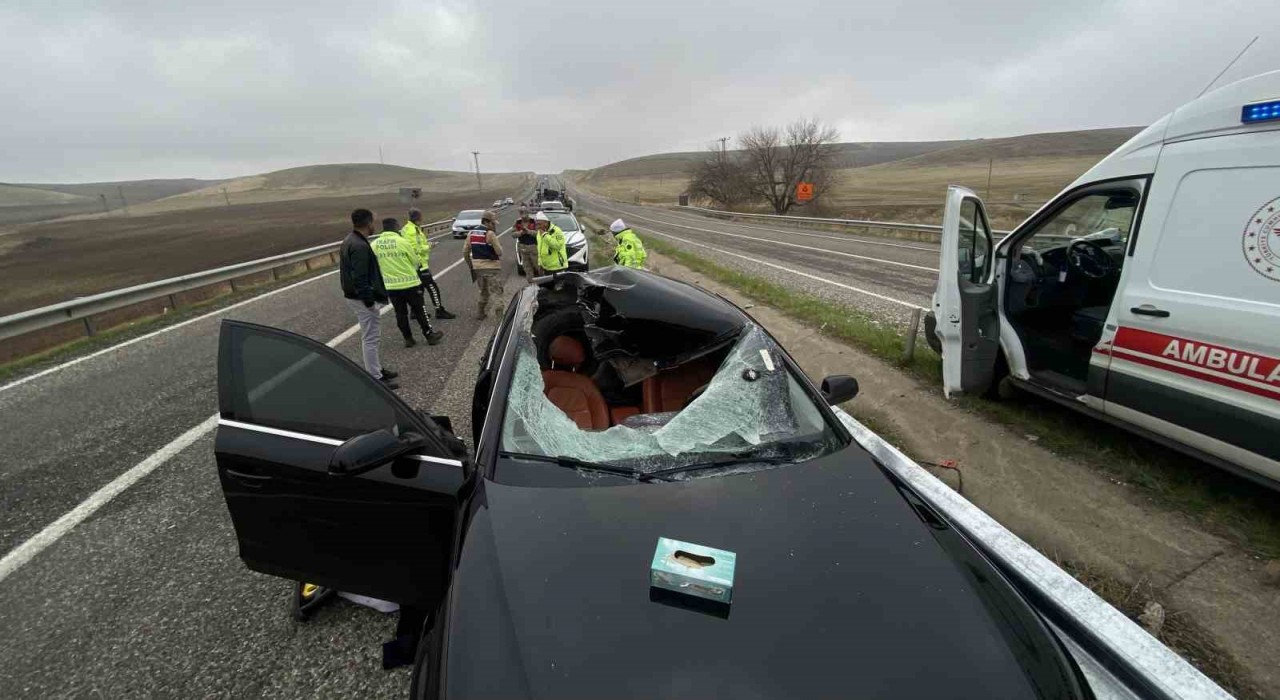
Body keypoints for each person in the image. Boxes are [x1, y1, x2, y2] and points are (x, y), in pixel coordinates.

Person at [340, 209, 398, 389]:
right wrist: (369, 301)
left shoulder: (350, 239)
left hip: (355, 296)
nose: (375, 225)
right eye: (373, 221)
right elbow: (360, 278)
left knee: (371, 336)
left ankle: (377, 369)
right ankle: (375, 377)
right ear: (368, 223)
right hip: (361, 298)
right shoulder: (359, 246)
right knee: (371, 337)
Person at [373, 217, 444, 348]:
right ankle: (429, 335)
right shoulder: (402, 242)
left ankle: (408, 339)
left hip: (391, 286)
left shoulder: (375, 245)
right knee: (420, 310)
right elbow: (415, 261)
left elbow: (374, 264)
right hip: (410, 284)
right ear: (395, 227)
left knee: (400, 314)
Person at [401, 208, 455, 319]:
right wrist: (430, 246)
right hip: (419, 265)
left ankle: (415, 312)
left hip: (412, 265)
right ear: (417, 218)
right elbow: (414, 248)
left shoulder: (407, 228)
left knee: (418, 289)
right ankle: (439, 310)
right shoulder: (412, 230)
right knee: (432, 288)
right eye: (421, 216)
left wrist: (427, 244)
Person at [464, 210, 505, 319]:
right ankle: (500, 319)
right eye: (493, 223)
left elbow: (465, 252)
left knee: (484, 291)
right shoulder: (490, 234)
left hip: (478, 269)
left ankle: (480, 313)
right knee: (497, 293)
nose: (494, 225)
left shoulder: (471, 233)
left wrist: (471, 265)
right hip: (492, 269)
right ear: (487, 222)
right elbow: (499, 252)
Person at [514, 207, 541, 280]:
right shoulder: (518, 222)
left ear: (527, 213)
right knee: (527, 267)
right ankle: (531, 282)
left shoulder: (533, 222)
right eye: (521, 213)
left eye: (524, 213)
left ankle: (543, 281)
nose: (523, 216)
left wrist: (528, 231)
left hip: (533, 247)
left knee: (538, 266)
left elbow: (538, 234)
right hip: (523, 247)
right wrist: (521, 233)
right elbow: (513, 234)